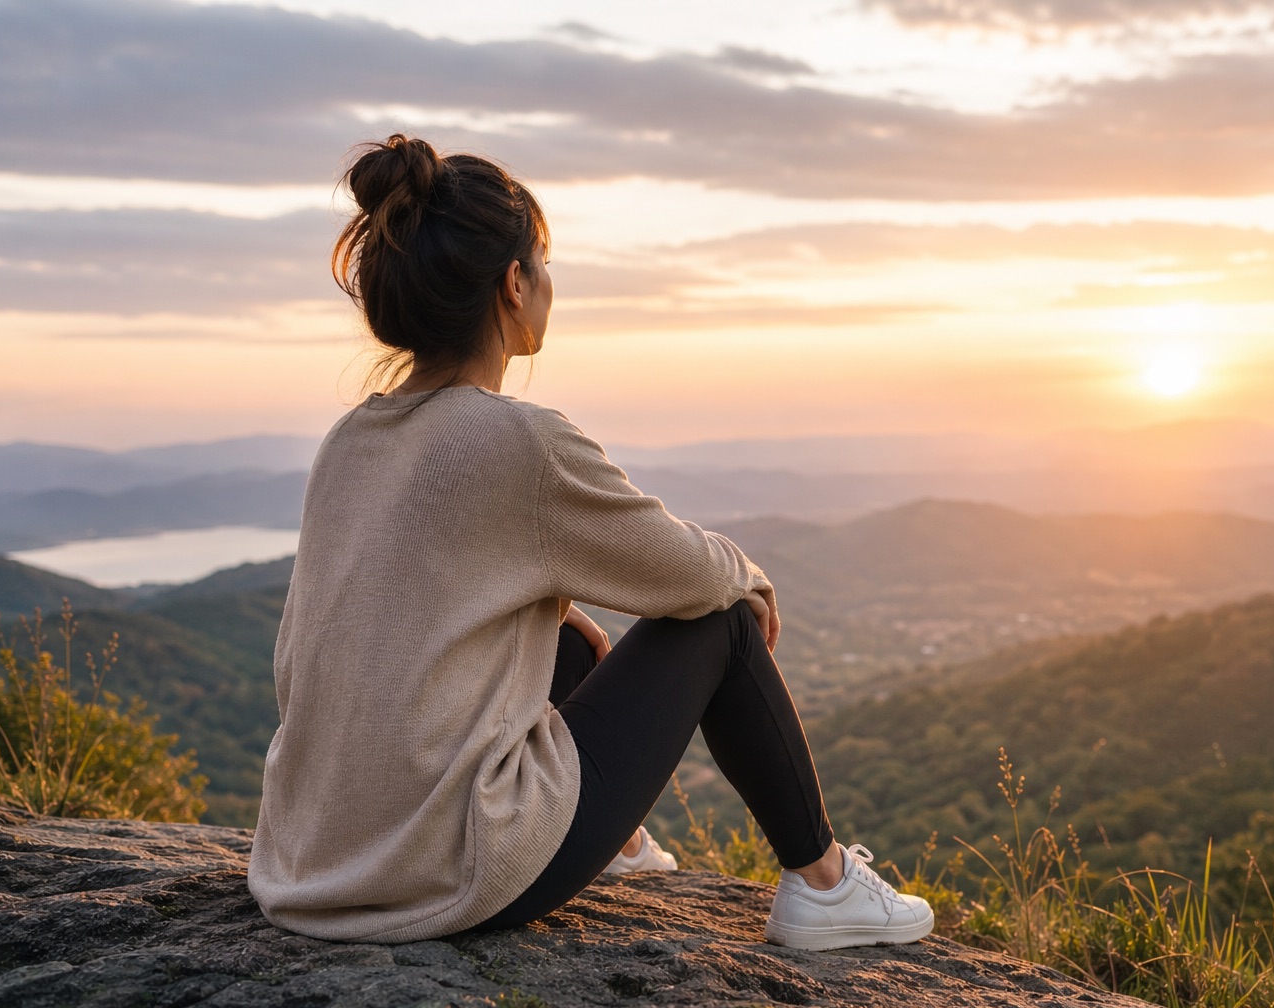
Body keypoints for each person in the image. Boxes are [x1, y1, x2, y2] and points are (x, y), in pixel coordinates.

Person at [246, 134, 934, 951]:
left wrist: (550, 615)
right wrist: (748, 579)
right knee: (717, 622)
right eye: (542, 261)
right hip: (440, 869)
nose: (547, 280)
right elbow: (686, 573)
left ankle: (624, 850)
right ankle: (825, 885)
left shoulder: (348, 439)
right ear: (513, 284)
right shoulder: (516, 441)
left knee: (569, 639)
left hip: (308, 860)